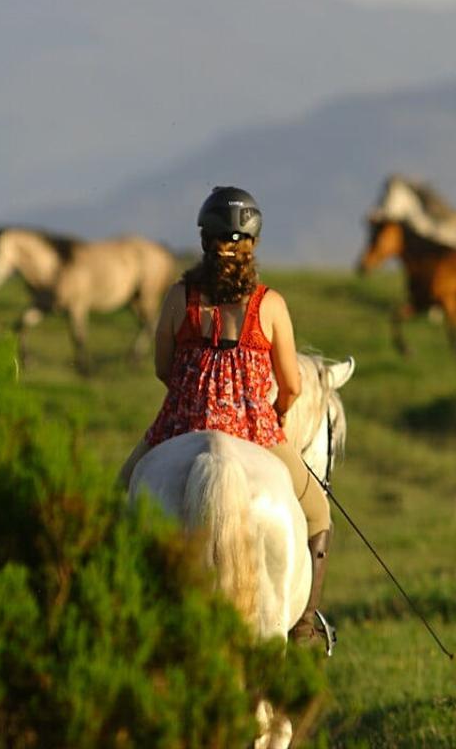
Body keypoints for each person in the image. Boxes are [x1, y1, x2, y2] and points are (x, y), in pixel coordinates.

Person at [119, 186, 332, 647]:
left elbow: (163, 367)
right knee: (318, 512)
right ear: (252, 242)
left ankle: (109, 610)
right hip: (255, 428)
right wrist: (269, 414)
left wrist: (194, 399)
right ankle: (305, 626)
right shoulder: (269, 305)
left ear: (204, 238)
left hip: (181, 422)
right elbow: (292, 385)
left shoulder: (180, 299)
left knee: (119, 494)